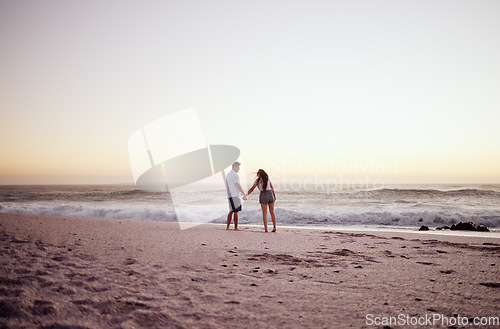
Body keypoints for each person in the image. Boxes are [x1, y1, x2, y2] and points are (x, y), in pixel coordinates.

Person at [226, 161, 247, 230]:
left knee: (231, 211)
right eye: (238, 167)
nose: (239, 169)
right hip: (234, 195)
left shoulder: (229, 174)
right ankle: (235, 227)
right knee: (235, 212)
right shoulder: (235, 175)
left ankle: (228, 227)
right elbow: (237, 185)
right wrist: (243, 193)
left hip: (230, 195)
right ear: (234, 167)